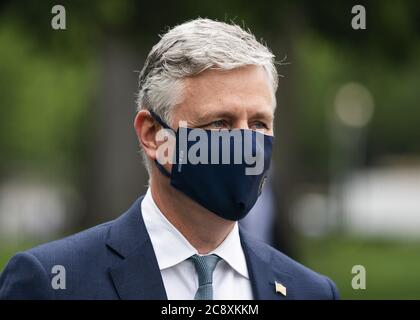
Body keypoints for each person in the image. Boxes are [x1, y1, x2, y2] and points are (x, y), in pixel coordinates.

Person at [0, 18, 339, 300]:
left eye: (258, 123)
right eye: (219, 122)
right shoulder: (52, 283)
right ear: (152, 135)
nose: (246, 143)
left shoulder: (310, 292)